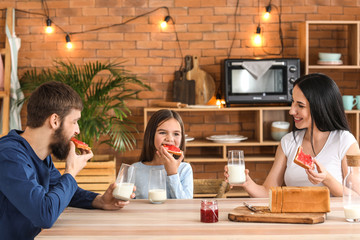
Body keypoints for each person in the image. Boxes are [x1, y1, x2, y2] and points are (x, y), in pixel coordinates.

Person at [0, 81, 134, 239]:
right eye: (74, 121)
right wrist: (70, 171)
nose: (77, 130)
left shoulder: (40, 154)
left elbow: (61, 190)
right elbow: (44, 215)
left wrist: (100, 200)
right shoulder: (9, 156)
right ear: (55, 120)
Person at [225, 73, 360, 197]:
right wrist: (247, 183)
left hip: (332, 222)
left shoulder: (345, 141)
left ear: (320, 107)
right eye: (292, 102)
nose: (291, 111)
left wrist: (327, 179)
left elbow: (357, 197)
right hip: (295, 220)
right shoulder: (288, 142)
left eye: (300, 105)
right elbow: (268, 192)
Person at [132, 109, 193, 199]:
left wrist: (172, 174)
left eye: (176, 134)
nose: (170, 139)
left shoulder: (184, 169)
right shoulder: (134, 169)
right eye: (163, 132)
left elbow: (186, 206)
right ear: (151, 135)